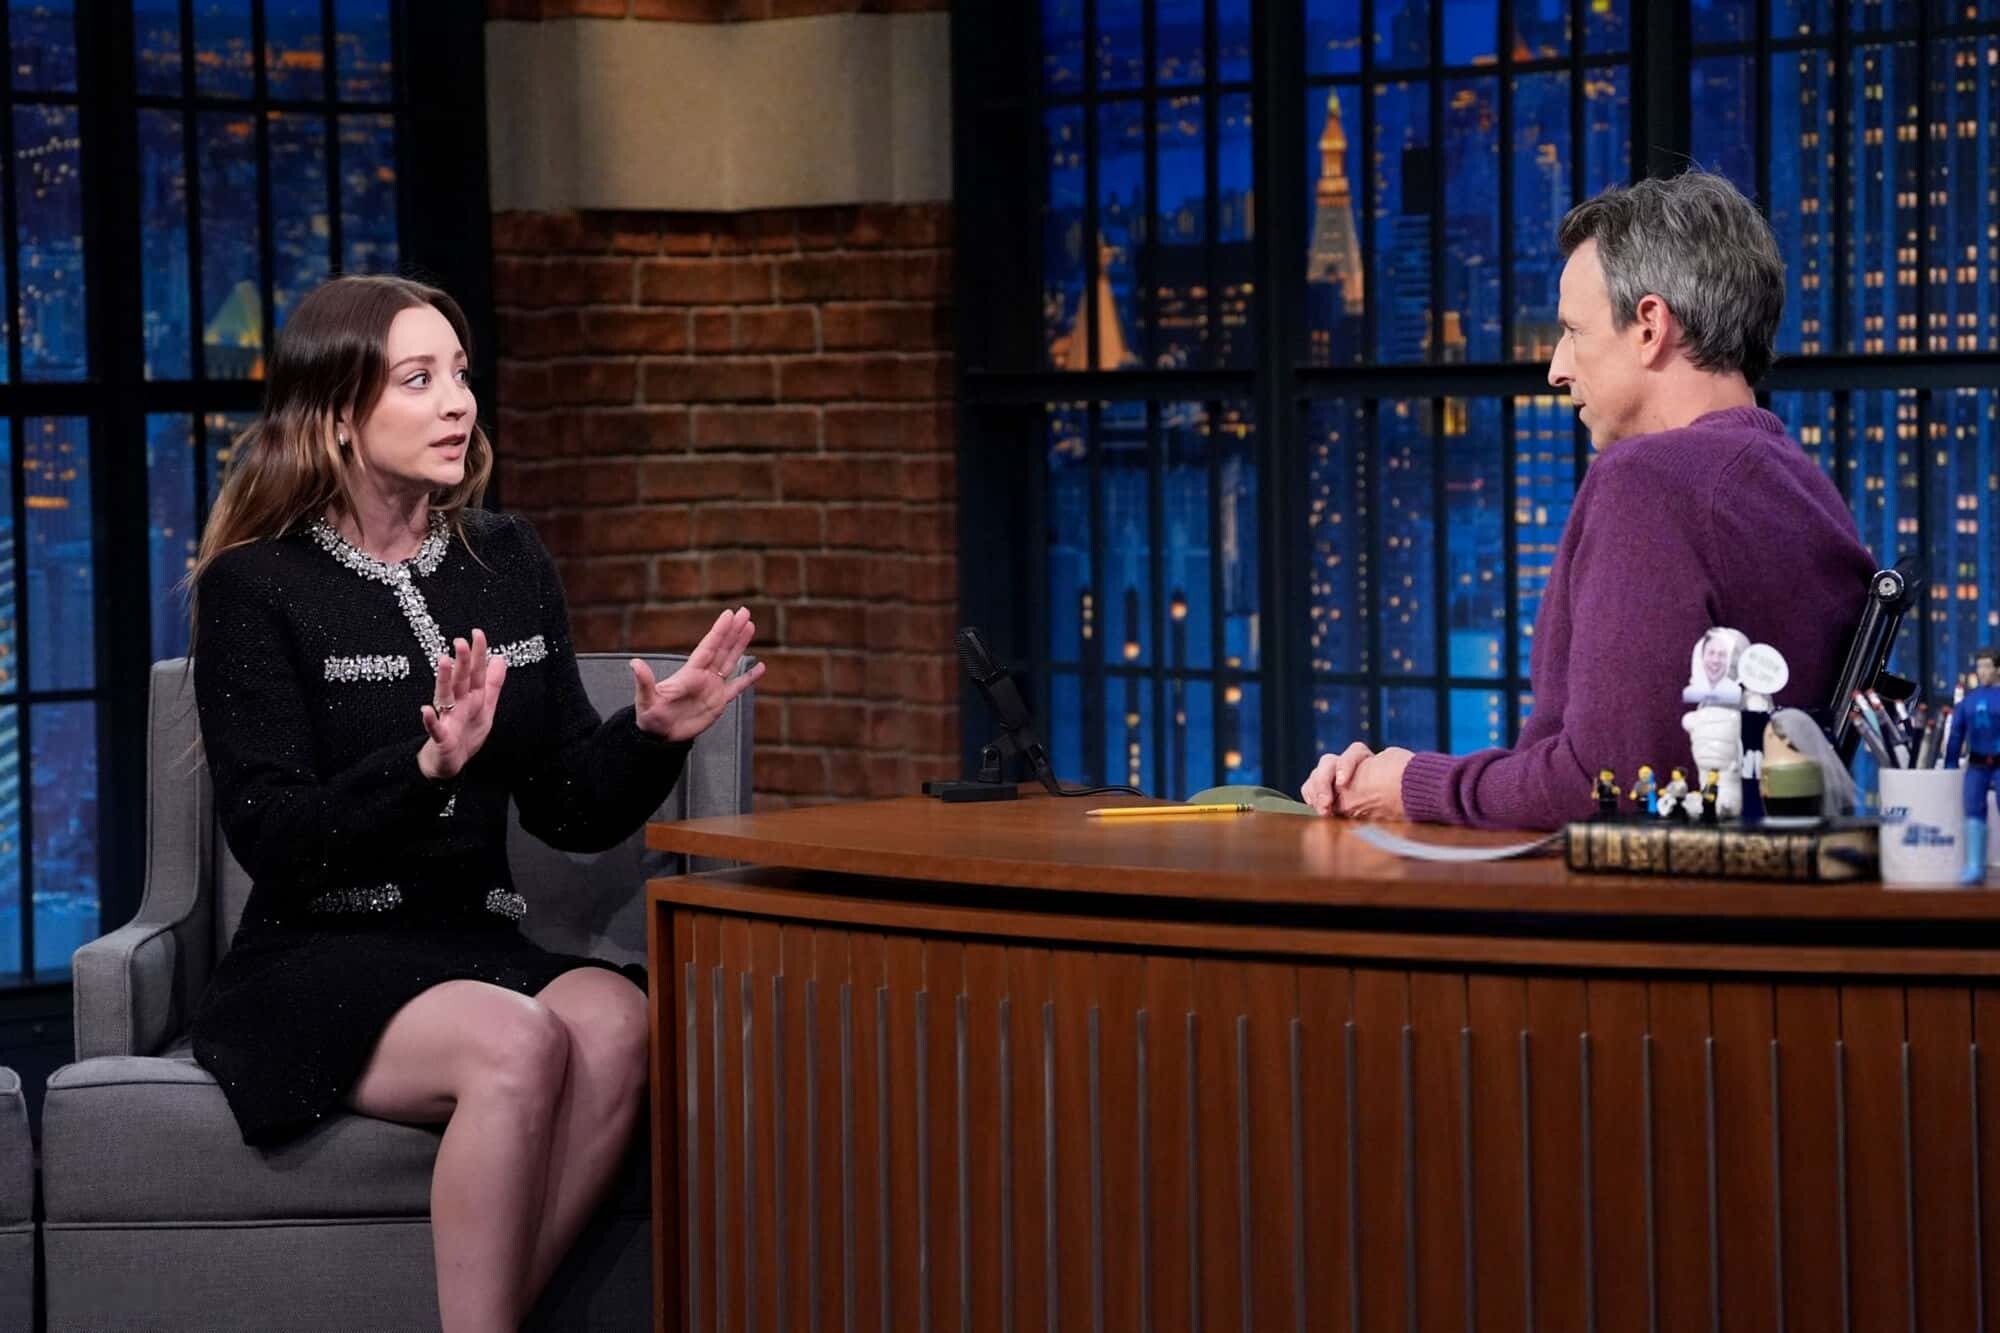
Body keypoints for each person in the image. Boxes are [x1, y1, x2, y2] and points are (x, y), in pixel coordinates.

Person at [185, 274, 765, 1331]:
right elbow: (274, 836)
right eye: (418, 379)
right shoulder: (255, 587)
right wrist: (424, 770)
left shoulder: (506, 560)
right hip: (316, 953)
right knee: (518, 1040)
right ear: (337, 415)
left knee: (618, 1022)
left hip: (473, 940)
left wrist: (652, 735)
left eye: (459, 372)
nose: (457, 402)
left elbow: (567, 806)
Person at [1301, 170, 1875, 830]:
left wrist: (1408, 785)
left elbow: (1602, 785)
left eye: (1574, 331)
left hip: (1623, 890)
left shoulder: (1652, 481)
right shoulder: (1802, 486)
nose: (1556, 367)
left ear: (1650, 326)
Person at [1944, 646, 2000, 883]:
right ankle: (1975, 865)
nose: (1982, 671)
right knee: (1973, 809)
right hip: (1976, 765)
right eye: (1980, 666)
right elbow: (1956, 734)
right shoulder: (1968, 702)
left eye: (1987, 666)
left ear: (1998, 669)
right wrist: (1950, 763)